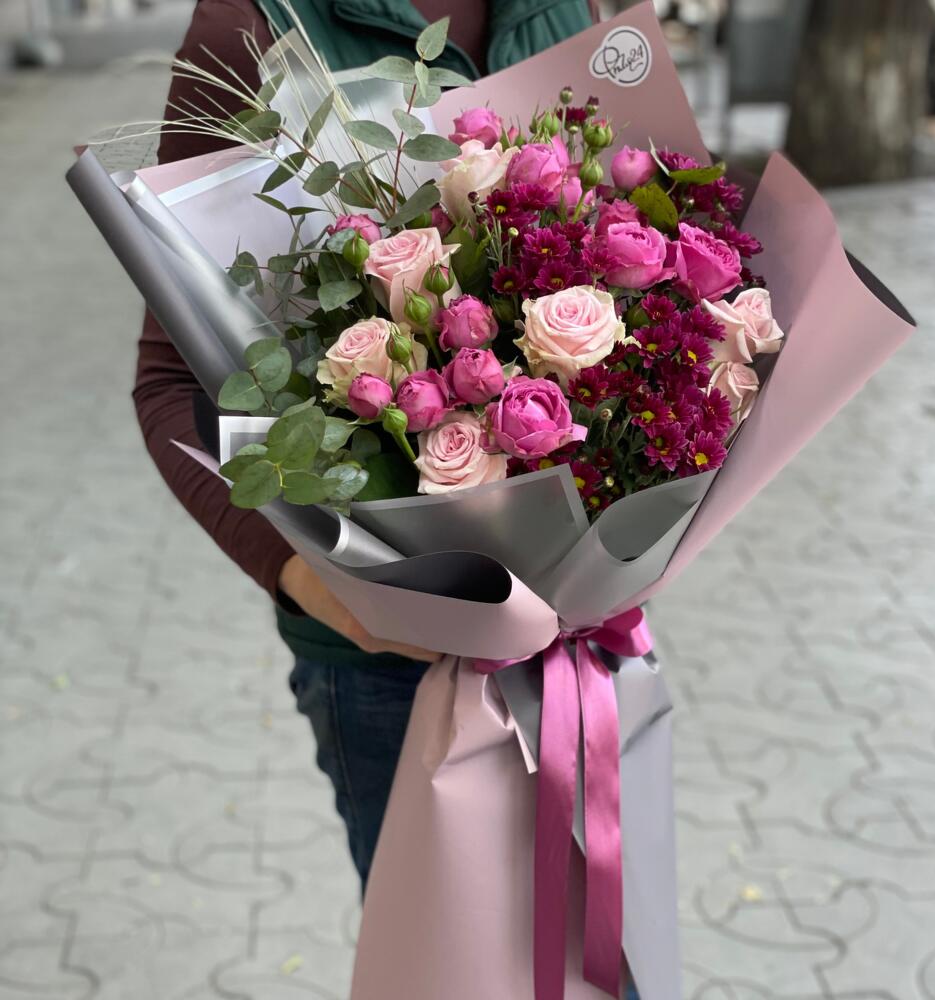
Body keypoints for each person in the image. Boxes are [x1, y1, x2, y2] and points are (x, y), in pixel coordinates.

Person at [136, 0, 600, 891]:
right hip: (388, 668)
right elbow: (166, 382)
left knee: (597, 939)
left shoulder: (561, 7)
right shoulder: (252, 25)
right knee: (433, 953)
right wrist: (313, 583)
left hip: (584, 642)